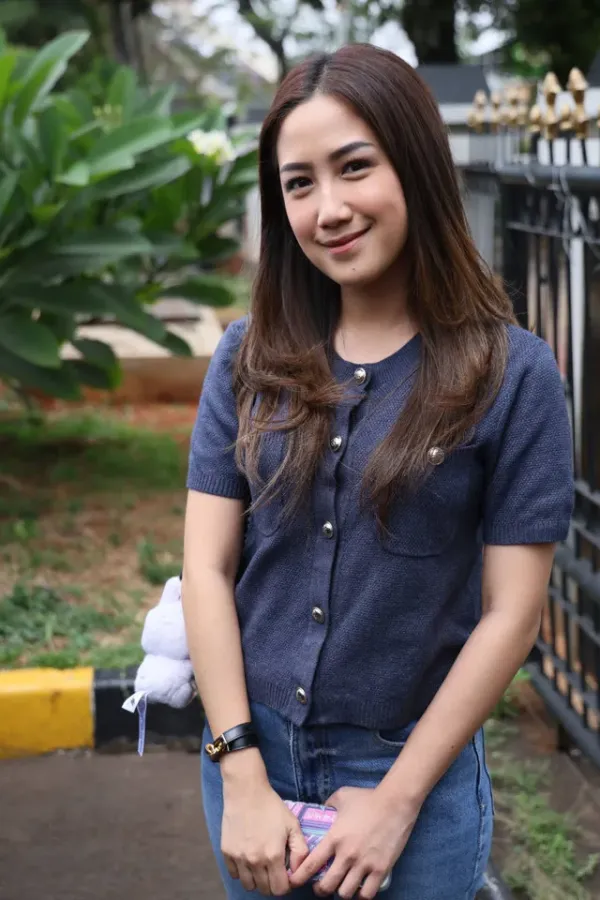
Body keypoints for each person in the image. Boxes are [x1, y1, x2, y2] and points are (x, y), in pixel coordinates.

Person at [181, 44, 574, 900]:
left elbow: (512, 614)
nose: (329, 209)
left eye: (354, 167)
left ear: (415, 163)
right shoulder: (247, 359)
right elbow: (206, 568)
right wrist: (239, 770)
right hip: (252, 761)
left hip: (411, 778)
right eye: (299, 183)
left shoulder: (512, 375)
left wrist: (397, 802)